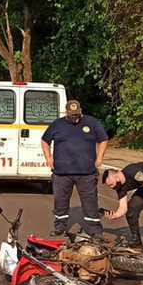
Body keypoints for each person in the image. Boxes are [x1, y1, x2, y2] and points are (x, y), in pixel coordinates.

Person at [41, 100, 108, 237]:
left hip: (87, 173)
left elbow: (103, 139)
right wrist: (48, 157)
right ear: (66, 113)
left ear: (81, 111)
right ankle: (60, 226)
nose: (75, 118)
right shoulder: (57, 124)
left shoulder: (92, 122)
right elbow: (45, 140)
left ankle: (94, 230)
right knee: (60, 201)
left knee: (90, 202)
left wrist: (100, 158)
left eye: (77, 115)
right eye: (72, 115)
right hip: (62, 173)